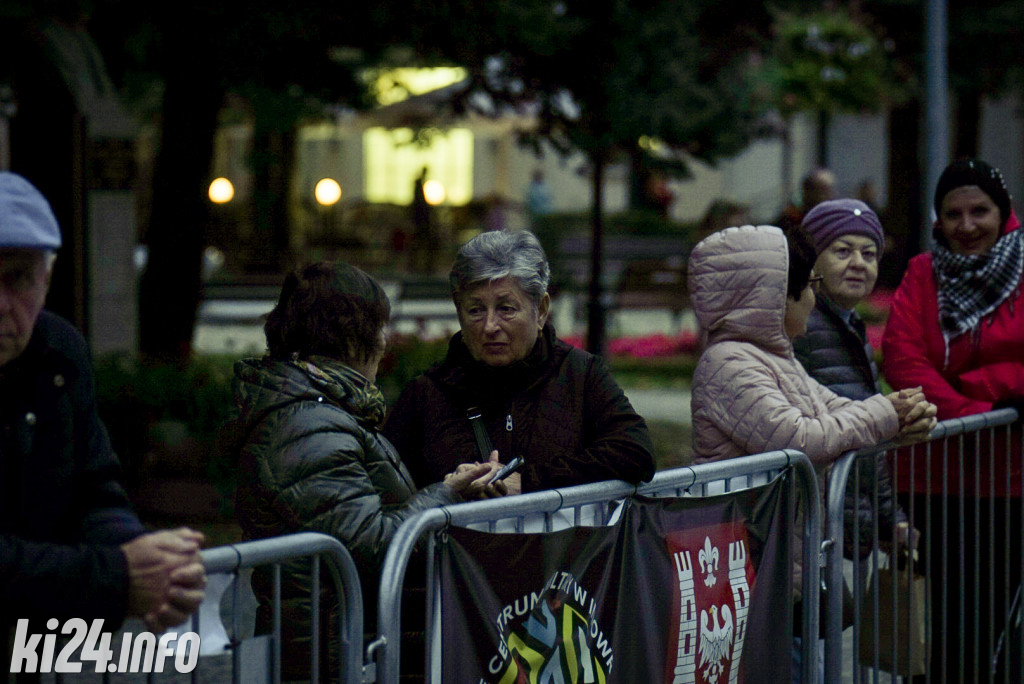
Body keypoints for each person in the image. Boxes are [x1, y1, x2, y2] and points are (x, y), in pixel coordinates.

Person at [232, 261, 506, 680]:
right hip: (332, 656)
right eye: (378, 326)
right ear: (351, 335)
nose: (384, 341)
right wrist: (444, 495)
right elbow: (371, 547)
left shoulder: (320, 411)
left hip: (341, 646)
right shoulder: (310, 426)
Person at [687, 223, 936, 682]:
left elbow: (837, 410)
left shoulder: (776, 359)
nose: (813, 300)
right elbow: (800, 437)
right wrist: (886, 415)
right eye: (808, 288)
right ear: (775, 297)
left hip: (789, 571)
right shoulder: (728, 364)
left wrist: (899, 416)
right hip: (755, 574)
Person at [0, 172, 206, 661]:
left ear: (47, 280)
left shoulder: (57, 353)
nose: (2, 304)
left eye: (19, 278)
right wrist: (119, 576)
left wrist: (153, 565)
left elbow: (94, 491)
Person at [881, 158, 1024, 681]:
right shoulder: (923, 272)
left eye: (979, 211)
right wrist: (982, 412)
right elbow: (903, 359)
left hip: (1011, 485)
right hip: (935, 482)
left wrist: (989, 384)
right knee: (943, 628)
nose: (966, 226)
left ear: (1004, 211)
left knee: (988, 623)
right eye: (952, 214)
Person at [383, 228, 655, 494]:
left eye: (506, 309)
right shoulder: (426, 394)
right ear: (459, 312)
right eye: (476, 310)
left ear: (541, 311)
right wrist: (445, 492)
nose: (490, 325)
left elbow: (635, 453)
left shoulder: (580, 375)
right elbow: (386, 493)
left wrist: (530, 482)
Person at [792, 199, 915, 558]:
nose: (859, 263)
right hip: (816, 524)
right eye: (842, 251)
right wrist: (890, 518)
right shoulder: (805, 328)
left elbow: (867, 430)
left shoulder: (846, 323)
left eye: (869, 254)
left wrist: (890, 518)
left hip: (840, 519)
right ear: (812, 259)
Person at [776, 167, 836, 233]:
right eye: (823, 191)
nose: (830, 195)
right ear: (806, 191)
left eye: (830, 190)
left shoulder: (834, 218)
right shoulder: (790, 218)